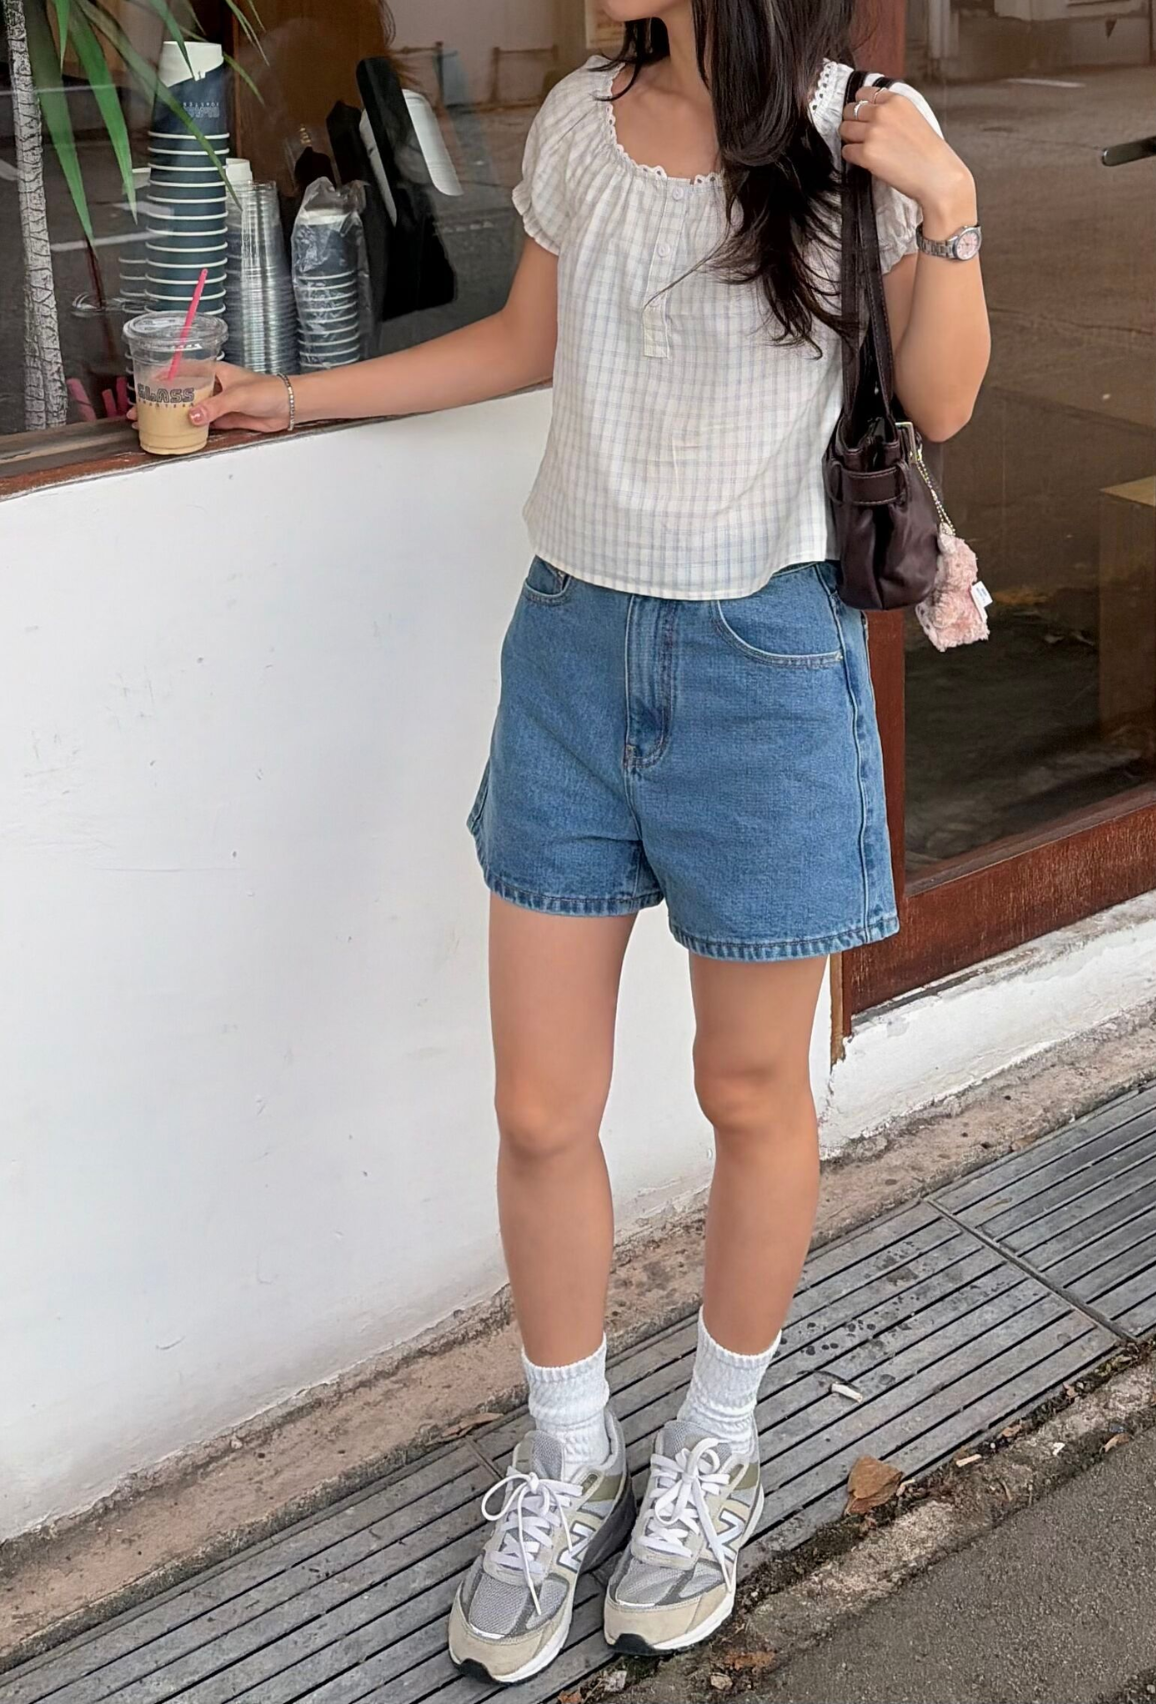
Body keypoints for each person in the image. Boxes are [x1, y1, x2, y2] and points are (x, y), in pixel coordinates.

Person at [184, 0, 990, 1683]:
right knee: (542, 1107)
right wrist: (299, 397)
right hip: (569, 650)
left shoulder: (861, 134)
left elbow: (941, 396)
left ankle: (714, 1441)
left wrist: (952, 209)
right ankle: (567, 1449)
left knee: (750, 1092)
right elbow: (522, 343)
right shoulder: (579, 119)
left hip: (769, 667)